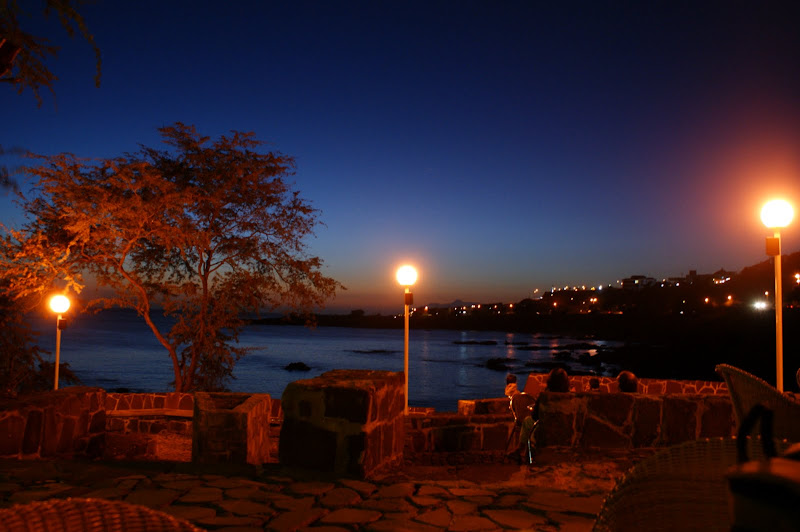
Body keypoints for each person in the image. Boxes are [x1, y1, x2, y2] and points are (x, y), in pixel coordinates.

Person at [509, 368, 569, 464]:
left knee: (527, 421)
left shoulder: (545, 396)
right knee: (528, 422)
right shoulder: (569, 397)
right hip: (564, 428)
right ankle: (520, 450)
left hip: (545, 429)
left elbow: (535, 416)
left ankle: (520, 450)